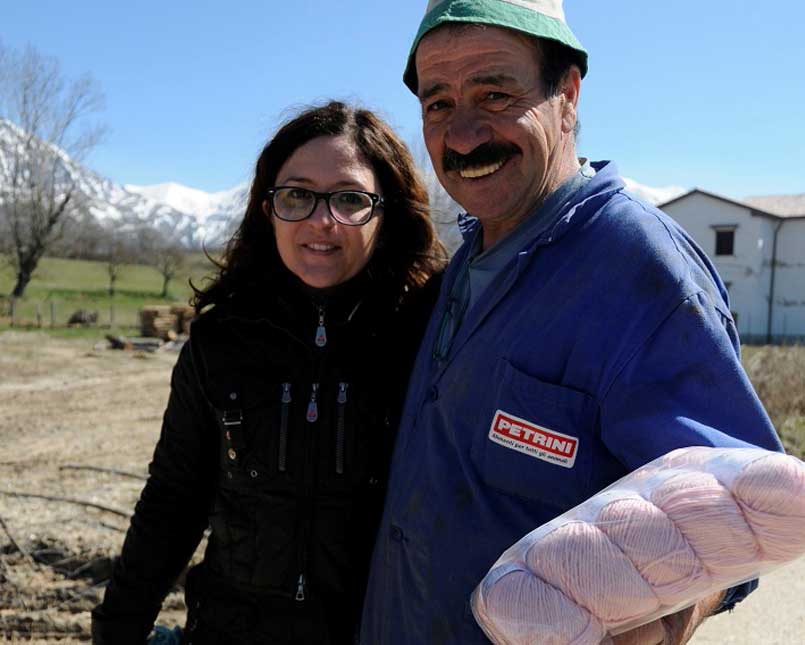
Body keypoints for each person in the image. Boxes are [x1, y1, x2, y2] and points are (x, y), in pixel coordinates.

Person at [360, 2, 785, 644]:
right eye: (438, 104)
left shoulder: (634, 266)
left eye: (495, 95)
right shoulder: (463, 269)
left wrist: (664, 621)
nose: (464, 134)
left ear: (568, 93)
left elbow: (743, 512)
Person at [91, 101, 446, 644]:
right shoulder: (221, 340)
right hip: (231, 629)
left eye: (350, 199)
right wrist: (117, 628)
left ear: (386, 212)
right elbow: (174, 499)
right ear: (267, 208)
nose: (321, 221)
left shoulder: (431, 336)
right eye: (297, 196)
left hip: (376, 629)